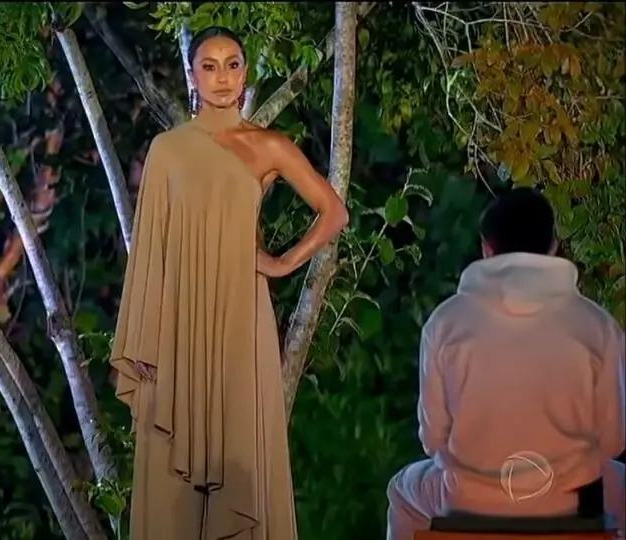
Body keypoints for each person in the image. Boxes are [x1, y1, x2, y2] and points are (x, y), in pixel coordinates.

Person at [110, 27, 349, 539]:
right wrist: (145, 336)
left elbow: (334, 212)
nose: (222, 77)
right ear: (192, 76)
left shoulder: (268, 146)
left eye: (233, 64)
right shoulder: (167, 149)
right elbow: (150, 249)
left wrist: (282, 263)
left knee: (239, 450)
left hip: (241, 318)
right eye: (209, 66)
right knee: (169, 461)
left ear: (246, 74)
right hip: (177, 322)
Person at [386, 188, 626, 539]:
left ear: (487, 249)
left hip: (468, 498)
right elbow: (613, 440)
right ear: (553, 246)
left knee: (401, 490)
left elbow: (432, 439)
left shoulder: (445, 322)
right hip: (573, 501)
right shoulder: (598, 325)